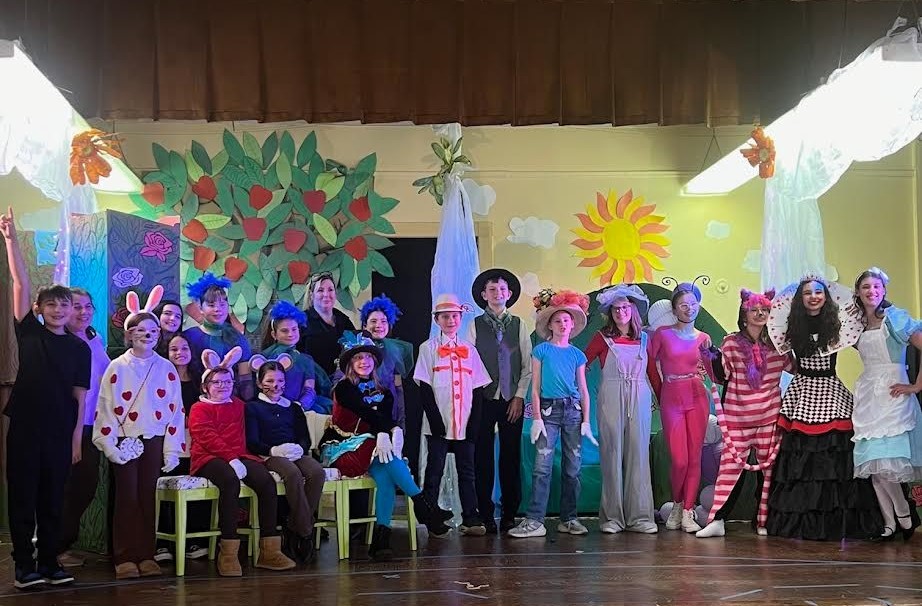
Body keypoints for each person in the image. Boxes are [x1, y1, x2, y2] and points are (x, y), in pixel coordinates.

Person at [2, 206, 89, 590]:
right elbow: (20, 282)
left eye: (64, 304)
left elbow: (79, 399)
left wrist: (74, 440)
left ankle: (50, 561)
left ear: (73, 311)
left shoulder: (79, 348)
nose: (58, 309)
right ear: (39, 309)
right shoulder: (30, 334)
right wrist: (11, 240)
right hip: (25, 428)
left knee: (53, 499)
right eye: (50, 304)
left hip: (59, 433)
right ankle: (24, 566)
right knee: (23, 496)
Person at [764, 276, 881, 540]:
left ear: (826, 297)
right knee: (801, 457)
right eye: (807, 293)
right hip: (802, 391)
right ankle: (802, 522)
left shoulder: (838, 324)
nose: (814, 296)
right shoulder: (790, 326)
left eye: (818, 292)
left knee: (834, 453)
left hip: (830, 389)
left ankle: (842, 522)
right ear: (800, 299)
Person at [319, 332, 450, 559]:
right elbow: (366, 412)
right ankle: (424, 506)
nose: (364, 362)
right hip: (344, 447)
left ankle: (381, 541)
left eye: (368, 358)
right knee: (388, 459)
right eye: (358, 358)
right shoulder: (344, 388)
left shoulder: (385, 392)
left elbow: (383, 418)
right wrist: (387, 430)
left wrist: (390, 430)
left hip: (372, 450)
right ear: (350, 363)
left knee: (386, 476)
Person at [92, 286, 185, 579]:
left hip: (154, 439)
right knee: (126, 497)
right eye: (140, 330)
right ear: (129, 333)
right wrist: (109, 444)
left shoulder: (167, 368)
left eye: (153, 330)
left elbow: (175, 411)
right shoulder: (116, 367)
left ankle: (146, 553)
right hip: (123, 440)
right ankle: (124, 556)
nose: (147, 334)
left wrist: (172, 449)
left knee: (148, 496)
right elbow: (105, 406)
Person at [188, 347, 296, 576]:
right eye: (217, 382)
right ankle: (228, 551)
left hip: (241, 456)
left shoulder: (239, 405)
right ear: (206, 386)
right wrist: (231, 459)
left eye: (227, 381)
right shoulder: (199, 408)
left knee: (265, 481)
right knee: (229, 481)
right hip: (209, 458)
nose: (223, 386)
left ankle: (269, 550)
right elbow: (207, 437)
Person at [696, 289, 792, 538]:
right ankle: (718, 520)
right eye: (754, 310)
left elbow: (794, 367)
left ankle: (763, 520)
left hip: (768, 416)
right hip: (738, 418)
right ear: (744, 314)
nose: (760, 314)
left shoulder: (778, 343)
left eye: (765, 310)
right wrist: (709, 357)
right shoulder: (731, 342)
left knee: (767, 472)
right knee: (729, 470)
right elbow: (722, 374)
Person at [509, 288, 597, 538]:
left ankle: (568, 518)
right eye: (557, 320)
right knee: (542, 467)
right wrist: (536, 417)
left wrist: (586, 421)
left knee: (573, 468)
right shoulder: (541, 351)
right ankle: (535, 520)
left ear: (572, 326)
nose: (561, 324)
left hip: (573, 412)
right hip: (548, 411)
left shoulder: (577, 355)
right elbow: (534, 388)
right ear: (550, 325)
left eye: (566, 320)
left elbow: (583, 390)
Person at [852, 267, 922, 540]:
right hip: (869, 394)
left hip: (893, 393)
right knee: (873, 464)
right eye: (866, 287)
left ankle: (903, 514)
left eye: (877, 287)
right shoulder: (856, 325)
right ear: (858, 292)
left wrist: (916, 385)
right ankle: (889, 523)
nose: (872, 291)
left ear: (884, 291)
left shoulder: (895, 319)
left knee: (886, 463)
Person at [414, 294, 492, 536]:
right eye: (445, 316)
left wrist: (474, 423)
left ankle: (471, 516)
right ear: (437, 320)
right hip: (438, 423)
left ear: (461, 318)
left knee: (467, 471)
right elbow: (424, 387)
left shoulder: (470, 349)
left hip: (464, 422)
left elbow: (478, 389)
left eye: (455, 316)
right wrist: (436, 419)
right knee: (434, 470)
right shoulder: (428, 348)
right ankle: (431, 517)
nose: (450, 320)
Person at [584, 284, 657, 534]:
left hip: (640, 396)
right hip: (611, 397)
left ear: (633, 309)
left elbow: (653, 374)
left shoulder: (646, 339)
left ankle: (641, 517)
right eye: (615, 309)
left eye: (625, 307)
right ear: (610, 312)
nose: (620, 312)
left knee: (639, 455)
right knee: (611, 454)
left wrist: (661, 396)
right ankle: (612, 517)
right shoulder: (601, 338)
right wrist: (579, 391)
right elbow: (581, 364)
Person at [648, 280, 717, 533]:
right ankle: (677, 503)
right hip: (671, 397)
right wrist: (658, 393)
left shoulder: (704, 338)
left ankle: (687, 510)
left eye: (693, 304)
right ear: (674, 309)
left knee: (694, 457)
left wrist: (713, 360)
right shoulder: (662, 335)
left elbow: (712, 373)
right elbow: (649, 364)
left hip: (697, 396)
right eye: (683, 305)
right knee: (679, 460)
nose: (689, 308)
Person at [466, 269, 532, 534]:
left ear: (510, 294)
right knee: (481, 457)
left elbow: (527, 366)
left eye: (502, 289)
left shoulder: (520, 325)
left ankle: (509, 513)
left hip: (510, 401)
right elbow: (468, 364)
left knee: (510, 457)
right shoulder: (474, 325)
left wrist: (518, 396)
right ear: (484, 295)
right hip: (482, 400)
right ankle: (484, 512)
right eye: (492, 290)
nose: (498, 294)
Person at [246, 354, 326, 563]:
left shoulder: (293, 407)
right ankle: (306, 531)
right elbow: (252, 442)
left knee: (317, 471)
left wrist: (299, 448)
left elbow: (305, 439)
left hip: (294, 452)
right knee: (292, 474)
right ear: (259, 382)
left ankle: (294, 525)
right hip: (268, 455)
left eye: (280, 381)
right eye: (270, 381)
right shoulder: (252, 408)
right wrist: (274, 450)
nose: (275, 385)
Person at [58, 287, 111, 567]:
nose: (83, 312)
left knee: (85, 485)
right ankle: (51, 548)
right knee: (64, 485)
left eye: (88, 306)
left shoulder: (94, 338)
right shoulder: (58, 341)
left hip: (93, 424)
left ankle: (60, 543)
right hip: (67, 426)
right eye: (76, 306)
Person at [154, 333, 209, 563]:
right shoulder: (159, 378)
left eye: (184, 348)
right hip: (168, 444)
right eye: (173, 349)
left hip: (195, 444)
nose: (179, 353)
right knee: (167, 493)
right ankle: (163, 543)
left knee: (195, 492)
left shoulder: (199, 380)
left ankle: (193, 540)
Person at [182, 273, 253, 400]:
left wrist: (247, 405)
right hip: (195, 402)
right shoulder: (188, 337)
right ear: (200, 307)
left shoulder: (237, 338)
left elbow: (245, 377)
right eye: (211, 305)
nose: (217, 309)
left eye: (222, 304)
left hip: (231, 403)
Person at [261, 300, 331, 413]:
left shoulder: (305, 360)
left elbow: (309, 389)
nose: (290, 334)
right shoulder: (265, 356)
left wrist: (299, 406)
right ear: (274, 334)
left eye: (294, 329)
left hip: (299, 407)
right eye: (284, 331)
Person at [297, 272, 356, 376]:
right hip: (312, 383)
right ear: (311, 295)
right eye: (320, 290)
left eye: (330, 290)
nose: (326, 294)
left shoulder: (343, 320)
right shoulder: (301, 321)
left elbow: (356, 347)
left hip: (342, 382)